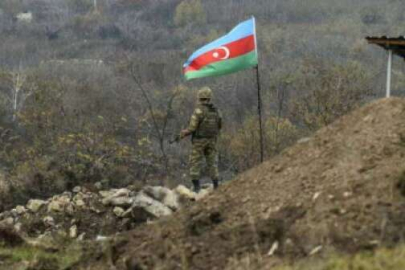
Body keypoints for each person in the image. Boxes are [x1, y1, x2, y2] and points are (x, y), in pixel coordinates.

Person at [180, 87, 222, 193]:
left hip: (199, 141)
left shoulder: (198, 111)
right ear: (209, 97)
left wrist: (184, 133)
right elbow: (220, 125)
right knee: (212, 162)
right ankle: (216, 185)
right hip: (212, 140)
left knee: (195, 162)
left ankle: (196, 187)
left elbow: (192, 128)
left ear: (200, 97)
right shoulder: (216, 111)